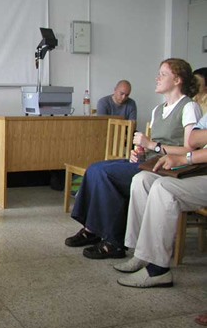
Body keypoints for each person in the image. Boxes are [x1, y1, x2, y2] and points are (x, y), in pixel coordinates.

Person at [65, 59, 202, 259]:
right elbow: (150, 145)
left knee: (105, 174)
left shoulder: (189, 107)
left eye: (163, 74)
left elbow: (191, 148)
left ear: (177, 80)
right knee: (94, 168)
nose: (157, 78)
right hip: (149, 161)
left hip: (168, 166)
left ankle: (114, 241)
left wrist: (152, 146)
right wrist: (140, 152)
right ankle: (93, 228)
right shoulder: (158, 109)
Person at [114, 112, 207, 288]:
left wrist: (186, 157)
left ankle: (158, 269)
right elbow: (193, 140)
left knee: (163, 188)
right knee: (142, 179)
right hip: (200, 167)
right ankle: (141, 254)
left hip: (199, 167)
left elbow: (193, 146)